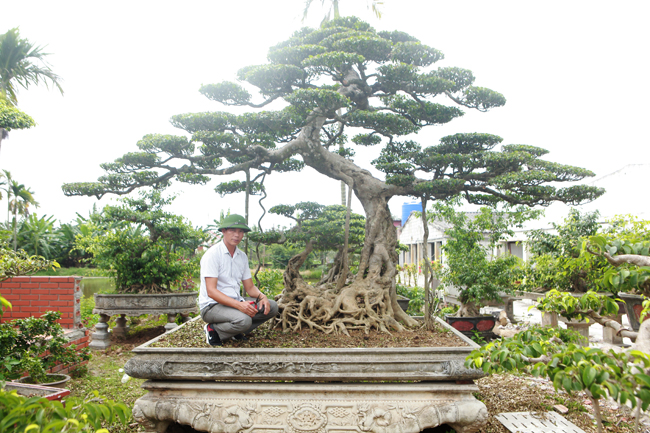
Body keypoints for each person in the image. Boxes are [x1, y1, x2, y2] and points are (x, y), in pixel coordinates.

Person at [199, 214, 278, 346]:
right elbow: (211, 292)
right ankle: (214, 330)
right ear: (223, 231)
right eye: (232, 230)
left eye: (240, 231)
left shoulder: (241, 256)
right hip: (212, 306)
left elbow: (250, 288)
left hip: (235, 302)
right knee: (244, 320)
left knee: (271, 307)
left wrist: (262, 296)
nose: (237, 235)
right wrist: (239, 306)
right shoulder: (213, 255)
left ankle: (235, 331)